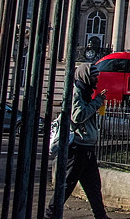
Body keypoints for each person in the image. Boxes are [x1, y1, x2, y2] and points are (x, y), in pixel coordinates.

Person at [45, 63, 111, 219]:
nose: (96, 79)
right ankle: (50, 215)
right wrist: (97, 102)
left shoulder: (86, 93)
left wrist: (97, 101)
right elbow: (78, 115)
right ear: (86, 76)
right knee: (66, 186)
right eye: (94, 76)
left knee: (94, 187)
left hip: (87, 149)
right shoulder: (77, 92)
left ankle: (101, 216)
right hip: (77, 149)